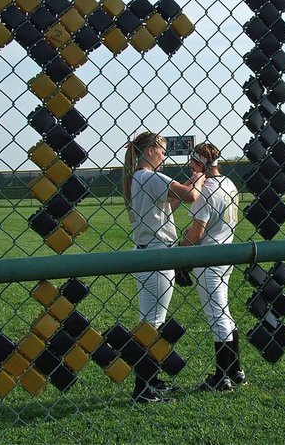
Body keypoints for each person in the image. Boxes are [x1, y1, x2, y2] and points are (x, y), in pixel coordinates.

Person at [122, 131, 203, 403]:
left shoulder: (139, 178)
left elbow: (173, 201)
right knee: (153, 323)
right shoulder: (151, 176)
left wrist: (190, 184)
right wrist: (200, 175)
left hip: (148, 253)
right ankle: (143, 388)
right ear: (150, 151)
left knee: (152, 319)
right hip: (157, 256)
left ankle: (151, 379)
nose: (164, 155)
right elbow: (191, 197)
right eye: (162, 150)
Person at [180, 142, 245, 391]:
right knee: (224, 313)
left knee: (217, 317)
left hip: (208, 258)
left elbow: (198, 230)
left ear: (198, 163)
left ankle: (222, 377)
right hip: (226, 253)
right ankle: (235, 370)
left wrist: (181, 255)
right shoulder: (229, 183)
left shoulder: (206, 188)